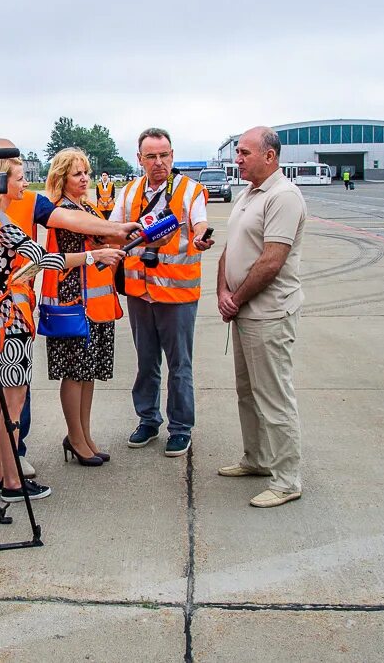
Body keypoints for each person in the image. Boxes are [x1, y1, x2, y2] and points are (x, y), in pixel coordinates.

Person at [0, 139, 140, 484]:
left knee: (8, 397)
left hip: (5, 316)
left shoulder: (23, 204)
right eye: (20, 175)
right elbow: (36, 258)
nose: (26, 182)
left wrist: (113, 229)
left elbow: (70, 218)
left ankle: (9, 460)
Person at [0, 158, 125, 499]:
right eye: (20, 179)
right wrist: (95, 256)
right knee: (14, 405)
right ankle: (13, 483)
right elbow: (45, 260)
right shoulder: (4, 224)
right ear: (1, 183)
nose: (25, 185)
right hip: (11, 323)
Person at [216, 126, 306, 508]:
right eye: (238, 152)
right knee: (247, 393)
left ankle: (287, 480)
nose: (237, 159)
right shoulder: (247, 194)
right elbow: (230, 248)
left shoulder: (284, 197)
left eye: (244, 152)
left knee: (274, 396)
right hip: (244, 311)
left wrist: (235, 298)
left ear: (269, 156)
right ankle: (256, 459)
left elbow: (271, 261)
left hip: (268, 314)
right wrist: (222, 290)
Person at [110, 128, 214, 457]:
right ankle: (148, 420)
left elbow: (199, 223)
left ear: (173, 155)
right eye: (152, 156)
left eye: (165, 155)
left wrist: (200, 237)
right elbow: (112, 230)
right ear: (139, 159)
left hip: (178, 296)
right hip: (140, 294)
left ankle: (180, 428)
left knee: (180, 365)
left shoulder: (190, 190)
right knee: (146, 362)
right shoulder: (127, 194)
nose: (159, 162)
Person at [43, 148, 125, 466]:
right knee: (75, 373)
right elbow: (92, 240)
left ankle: (85, 435)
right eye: (77, 173)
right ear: (61, 178)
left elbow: (103, 240)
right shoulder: (61, 210)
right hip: (72, 301)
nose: (85, 178)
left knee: (87, 372)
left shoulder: (86, 206)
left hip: (94, 303)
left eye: (86, 173)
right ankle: (75, 438)